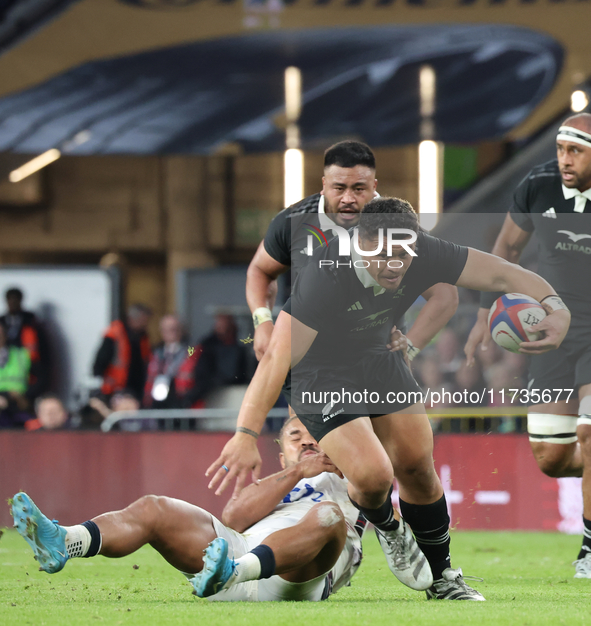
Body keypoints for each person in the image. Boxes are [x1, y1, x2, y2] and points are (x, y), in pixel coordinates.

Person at [209, 197, 571, 601]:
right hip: (317, 372)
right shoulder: (326, 276)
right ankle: (389, 527)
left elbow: (504, 274)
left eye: (403, 252)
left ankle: (442, 578)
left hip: (377, 359)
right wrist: (245, 432)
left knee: (417, 466)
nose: (396, 263)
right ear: (358, 243)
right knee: (374, 475)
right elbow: (277, 358)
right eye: (383, 253)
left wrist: (556, 308)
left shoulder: (425, 251)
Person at [11, 418, 366, 602]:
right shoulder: (280, 480)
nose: (306, 440)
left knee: (329, 516)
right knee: (155, 508)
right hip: (227, 563)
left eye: (314, 433)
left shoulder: (360, 474)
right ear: (282, 454)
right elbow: (234, 518)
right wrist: (296, 472)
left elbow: (391, 504)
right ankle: (65, 541)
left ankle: (234, 570)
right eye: (295, 435)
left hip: (294, 581)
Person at [464, 112, 591, 578]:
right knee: (552, 457)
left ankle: (590, 551)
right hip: (552, 330)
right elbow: (507, 251)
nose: (563, 159)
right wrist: (483, 313)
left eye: (575, 150)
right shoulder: (538, 186)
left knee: (588, 432)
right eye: (560, 149)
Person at [246, 140, 458, 364]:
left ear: (373, 186)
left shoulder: (401, 229)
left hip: (377, 364)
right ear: (324, 185)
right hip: (309, 364)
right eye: (339, 188)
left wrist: (411, 348)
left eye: (358, 189)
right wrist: (262, 321)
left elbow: (445, 294)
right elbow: (260, 270)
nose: (348, 199)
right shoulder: (292, 222)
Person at [180, 314, 250, 408]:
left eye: (224, 324)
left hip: (221, 382)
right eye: (219, 323)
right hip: (206, 380)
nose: (220, 327)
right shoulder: (207, 345)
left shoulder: (238, 347)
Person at [92, 304, 152, 402]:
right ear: (134, 318)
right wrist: (98, 377)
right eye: (144, 320)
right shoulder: (115, 332)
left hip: (136, 387)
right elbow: (102, 358)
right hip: (115, 387)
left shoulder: (142, 336)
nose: (146, 324)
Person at [0, 287, 49, 400]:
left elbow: (42, 354)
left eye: (15, 300)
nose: (12, 303)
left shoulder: (31, 322)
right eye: (9, 300)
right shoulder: (2, 321)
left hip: (28, 376)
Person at [143, 315, 189, 408]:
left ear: (180, 331)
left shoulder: (189, 352)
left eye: (173, 329)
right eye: (165, 330)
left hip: (179, 400)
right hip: (155, 399)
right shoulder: (155, 352)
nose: (169, 333)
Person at [0, 322, 32, 428]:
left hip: (19, 405)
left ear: (5, 335)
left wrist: (22, 398)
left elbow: (39, 379)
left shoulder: (21, 355)